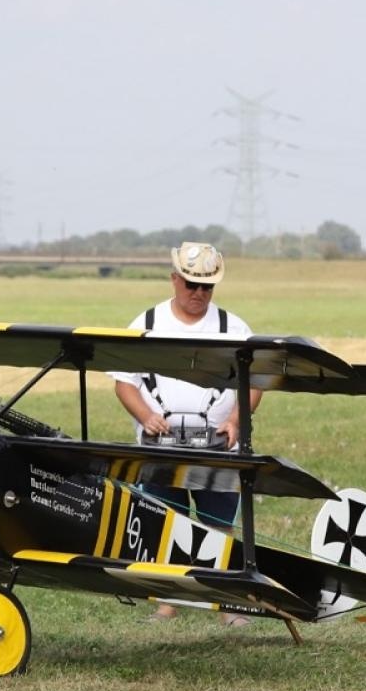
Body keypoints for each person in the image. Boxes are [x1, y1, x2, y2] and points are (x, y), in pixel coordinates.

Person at [110, 241, 263, 623]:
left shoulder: (235, 328)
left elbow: (256, 381)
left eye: (207, 287)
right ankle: (166, 601)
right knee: (162, 520)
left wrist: (234, 423)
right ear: (174, 279)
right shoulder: (145, 323)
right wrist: (146, 416)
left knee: (217, 525)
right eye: (191, 284)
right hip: (160, 447)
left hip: (218, 447)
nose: (198, 293)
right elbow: (124, 383)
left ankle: (226, 604)